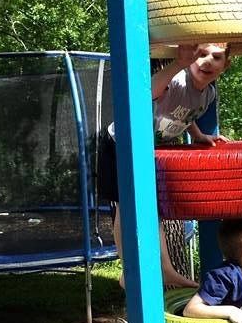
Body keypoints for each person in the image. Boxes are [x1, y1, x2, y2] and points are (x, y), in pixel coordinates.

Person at [99, 43, 231, 289]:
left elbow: (185, 115)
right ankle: (127, 269)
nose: (207, 61)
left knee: (154, 208)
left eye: (216, 57)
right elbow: (147, 92)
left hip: (148, 150)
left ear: (226, 64)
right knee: (127, 205)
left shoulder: (208, 94)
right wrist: (178, 63)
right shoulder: (178, 80)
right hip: (121, 143)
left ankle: (167, 270)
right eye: (201, 55)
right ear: (190, 58)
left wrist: (200, 135)